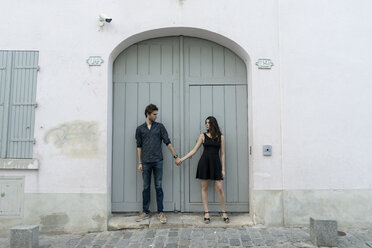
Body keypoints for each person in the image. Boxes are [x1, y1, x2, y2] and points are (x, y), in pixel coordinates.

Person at [177, 116, 230, 224]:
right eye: (206, 123)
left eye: (209, 123)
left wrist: (223, 169)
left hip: (216, 164)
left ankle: (224, 212)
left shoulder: (221, 137)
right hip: (204, 163)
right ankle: (206, 212)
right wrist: (182, 159)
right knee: (204, 187)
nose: (206, 125)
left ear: (213, 124)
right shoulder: (203, 136)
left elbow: (223, 154)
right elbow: (194, 150)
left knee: (219, 187)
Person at [135, 104, 181, 224]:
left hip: (158, 161)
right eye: (154, 114)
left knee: (158, 187)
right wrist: (139, 162)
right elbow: (139, 147)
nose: (156, 116)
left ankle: (160, 212)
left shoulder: (160, 127)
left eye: (156, 114)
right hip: (145, 162)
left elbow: (167, 142)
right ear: (148, 114)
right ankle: (145, 211)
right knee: (145, 187)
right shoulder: (140, 129)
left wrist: (175, 156)